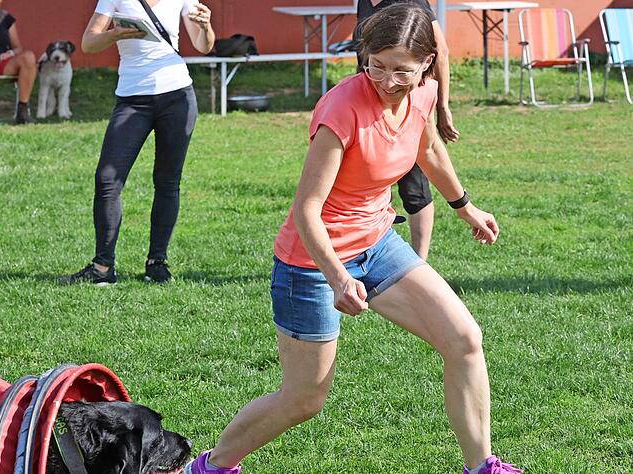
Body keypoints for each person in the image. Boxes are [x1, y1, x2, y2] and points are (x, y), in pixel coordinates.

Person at [185, 5, 522, 474]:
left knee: (464, 339)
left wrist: (464, 206)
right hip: (312, 261)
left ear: (427, 63)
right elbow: (307, 210)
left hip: (377, 241)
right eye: (376, 65)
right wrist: (338, 277)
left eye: (400, 70)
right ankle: (210, 466)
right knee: (304, 397)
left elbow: (426, 148)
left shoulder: (423, 92)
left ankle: (481, 466)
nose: (386, 81)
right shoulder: (341, 109)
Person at [59, 0, 215, 285]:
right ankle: (102, 267)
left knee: (167, 181)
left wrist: (206, 27)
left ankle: (157, 262)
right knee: (107, 179)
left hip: (177, 96)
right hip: (132, 99)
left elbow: (203, 45)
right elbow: (89, 43)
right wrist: (115, 34)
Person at [354, 0, 460, 260]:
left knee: (414, 182)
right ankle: (368, 252)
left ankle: (419, 261)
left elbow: (441, 51)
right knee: (368, 179)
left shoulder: (413, 3)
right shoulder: (363, 3)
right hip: (368, 104)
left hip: (405, 101)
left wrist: (442, 106)